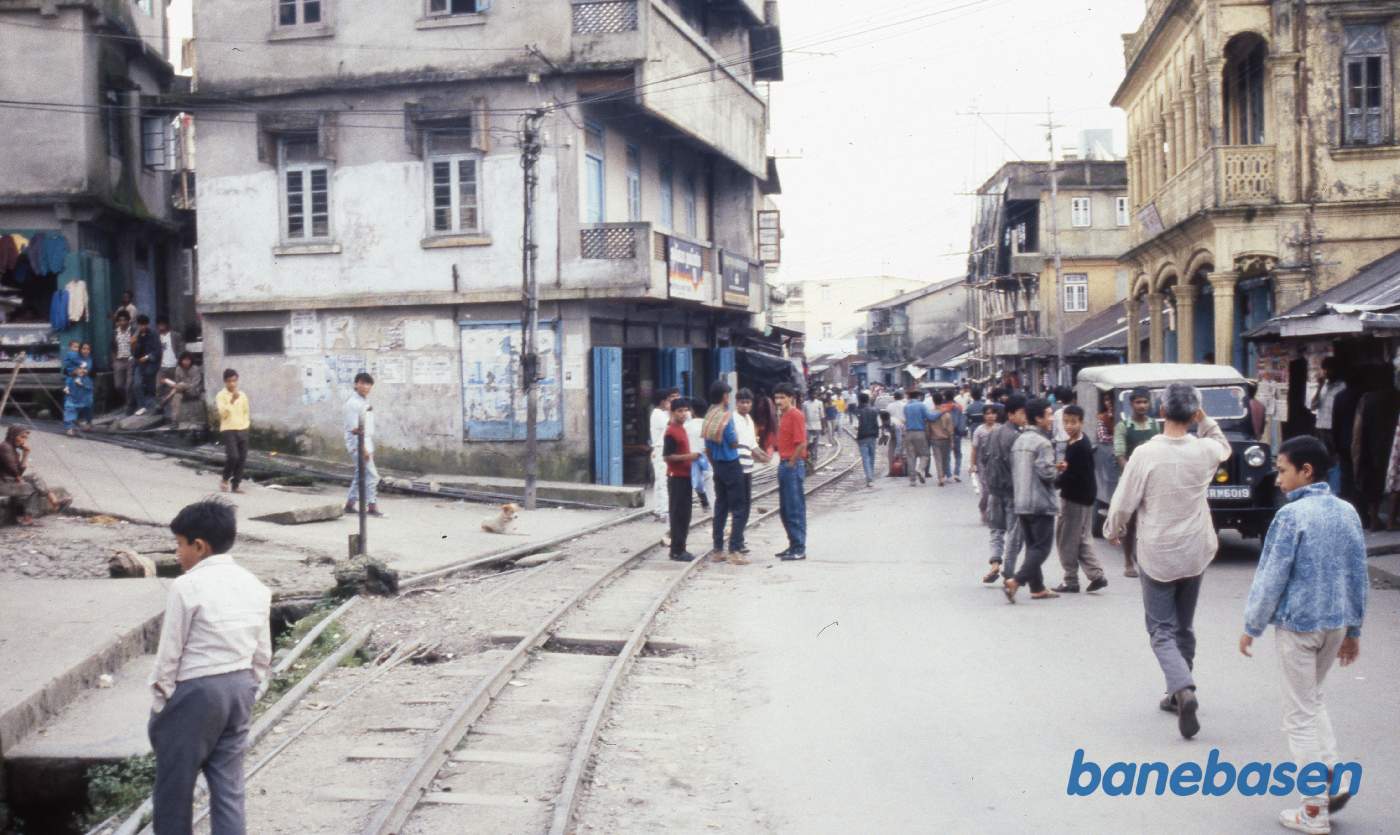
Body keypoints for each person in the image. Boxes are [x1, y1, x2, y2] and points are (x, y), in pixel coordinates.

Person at [1239, 436, 1367, 833]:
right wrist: (1354, 629)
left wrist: (1251, 626)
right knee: (1312, 699)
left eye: (1282, 470)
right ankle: (1332, 779)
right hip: (1336, 625)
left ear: (1306, 471)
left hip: (1299, 627)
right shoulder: (1347, 512)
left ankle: (1313, 810)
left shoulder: (1290, 516)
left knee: (1298, 715)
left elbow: (1270, 577)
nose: (1278, 479)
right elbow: (1358, 574)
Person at [1104, 383, 1231, 740]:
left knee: (1161, 630)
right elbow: (1222, 444)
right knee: (1184, 626)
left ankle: (1182, 687)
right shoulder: (1205, 450)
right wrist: (1203, 418)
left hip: (1157, 551)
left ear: (1161, 411)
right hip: (1195, 549)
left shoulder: (1146, 454)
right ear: (1193, 413)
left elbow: (1123, 501)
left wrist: (1113, 528)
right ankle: (1178, 692)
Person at [148, 499, 271, 835]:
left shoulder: (185, 586)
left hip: (195, 693)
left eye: (180, 544)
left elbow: (169, 653)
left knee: (174, 791)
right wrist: (249, 687)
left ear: (199, 546)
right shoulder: (255, 585)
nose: (177, 553)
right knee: (229, 788)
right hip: (239, 688)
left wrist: (161, 702)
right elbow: (262, 652)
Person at [1003, 399, 1060, 602]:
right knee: (1042, 548)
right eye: (1049, 414)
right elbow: (1047, 473)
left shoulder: (1019, 441)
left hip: (1022, 501)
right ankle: (1016, 581)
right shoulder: (1043, 443)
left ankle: (1037, 588)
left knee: (1032, 546)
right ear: (1038, 418)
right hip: (1040, 502)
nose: (1052, 418)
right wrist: (1058, 471)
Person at [1053, 405, 1106, 594]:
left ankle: (1071, 580)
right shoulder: (1077, 441)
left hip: (1075, 498)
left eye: (1073, 422)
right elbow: (1074, 470)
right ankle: (1096, 576)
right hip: (1084, 496)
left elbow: (1072, 476)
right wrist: (1064, 468)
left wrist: (1054, 482)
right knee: (1080, 538)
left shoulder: (1079, 446)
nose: (1069, 426)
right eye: (1066, 422)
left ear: (1081, 423)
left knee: (1066, 539)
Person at [1112, 387, 1160, 578]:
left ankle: (1147, 560)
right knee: (1130, 523)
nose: (1142, 406)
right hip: (1130, 480)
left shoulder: (1155, 425)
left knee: (1151, 521)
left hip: (1151, 480)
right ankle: (1128, 561)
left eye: (1145, 402)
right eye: (1138, 402)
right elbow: (1120, 454)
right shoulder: (1123, 426)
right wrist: (1133, 474)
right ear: (1131, 404)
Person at [702, 381, 749, 565]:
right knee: (738, 508)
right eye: (728, 395)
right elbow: (732, 441)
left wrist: (715, 464)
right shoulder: (725, 417)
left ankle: (718, 549)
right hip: (731, 464)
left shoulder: (709, 416)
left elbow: (707, 447)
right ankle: (735, 550)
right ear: (724, 397)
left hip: (718, 465)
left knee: (720, 506)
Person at [982, 396, 1026, 583]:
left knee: (996, 529)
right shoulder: (1017, 437)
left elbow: (984, 458)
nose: (1025, 417)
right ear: (1010, 414)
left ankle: (995, 563)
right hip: (1011, 490)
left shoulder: (993, 433)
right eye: (1022, 413)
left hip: (994, 488)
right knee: (1015, 534)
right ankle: (1008, 570)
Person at [0, 426, 69, 524]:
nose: (24, 441)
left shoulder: (12, 449)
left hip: (9, 480)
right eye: (22, 437)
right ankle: (30, 516)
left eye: (25, 438)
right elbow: (15, 471)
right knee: (34, 487)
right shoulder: (5, 447)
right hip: (3, 483)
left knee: (35, 477)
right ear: (13, 435)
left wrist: (25, 454)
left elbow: (19, 473)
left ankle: (52, 500)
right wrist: (19, 475)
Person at [773, 383, 808, 560]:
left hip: (791, 465)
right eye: (776, 397)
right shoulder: (784, 415)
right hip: (785, 464)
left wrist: (791, 463)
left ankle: (799, 548)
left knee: (794, 508)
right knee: (786, 509)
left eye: (782, 397)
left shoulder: (795, 415)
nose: (778, 401)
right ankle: (793, 544)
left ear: (791, 398)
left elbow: (801, 443)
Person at [662, 398, 699, 562]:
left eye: (686, 410)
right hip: (676, 477)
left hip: (685, 476)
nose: (684, 414)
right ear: (672, 412)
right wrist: (689, 456)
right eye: (680, 411)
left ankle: (681, 547)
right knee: (678, 514)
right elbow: (667, 456)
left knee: (685, 514)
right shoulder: (671, 432)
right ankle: (676, 551)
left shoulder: (682, 428)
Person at [343, 372, 384, 518]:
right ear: (356, 384)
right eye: (362, 383)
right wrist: (363, 449)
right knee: (372, 475)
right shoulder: (352, 404)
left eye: (368, 384)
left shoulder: (363, 402)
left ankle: (349, 505)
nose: (365, 386)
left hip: (366, 441)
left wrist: (368, 446)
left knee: (360, 474)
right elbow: (355, 430)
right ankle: (372, 506)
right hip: (358, 443)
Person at [734, 389, 768, 554]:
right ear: (736, 403)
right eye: (742, 402)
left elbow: (752, 444)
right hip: (737, 467)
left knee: (746, 505)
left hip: (748, 467)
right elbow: (738, 443)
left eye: (748, 402)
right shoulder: (734, 419)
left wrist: (763, 455)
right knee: (740, 506)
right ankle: (736, 542)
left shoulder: (748, 419)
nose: (745, 405)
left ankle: (739, 539)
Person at [215, 370, 250, 494]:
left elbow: (246, 411)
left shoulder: (242, 395)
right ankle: (225, 479)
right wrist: (232, 401)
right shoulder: (221, 395)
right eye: (229, 381)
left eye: (234, 381)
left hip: (242, 428)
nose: (232, 384)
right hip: (228, 429)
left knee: (242, 458)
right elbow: (222, 414)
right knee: (233, 456)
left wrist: (246, 425)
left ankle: (236, 485)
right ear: (225, 382)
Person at [649, 388, 679, 523]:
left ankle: (658, 509)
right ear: (662, 402)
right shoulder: (658, 414)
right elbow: (672, 425)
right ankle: (664, 511)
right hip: (660, 450)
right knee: (663, 482)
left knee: (660, 482)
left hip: (661, 450)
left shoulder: (662, 414)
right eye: (668, 400)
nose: (669, 403)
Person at [970, 402, 1001, 521]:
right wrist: (972, 465)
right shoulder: (979, 430)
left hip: (997, 464)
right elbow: (974, 448)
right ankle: (983, 508)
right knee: (986, 490)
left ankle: (994, 513)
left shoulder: (1000, 429)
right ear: (984, 416)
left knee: (996, 490)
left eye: (993, 413)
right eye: (988, 414)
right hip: (982, 464)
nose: (990, 416)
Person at [1311, 357, 1345, 458]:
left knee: (1334, 456)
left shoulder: (1342, 387)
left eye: (1328, 369)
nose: (1325, 372)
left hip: (1333, 428)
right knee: (1322, 456)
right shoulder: (1323, 386)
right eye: (1324, 369)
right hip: (1321, 427)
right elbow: (1313, 406)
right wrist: (1319, 387)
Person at [160, 352, 204, 424]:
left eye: (188, 360)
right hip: (181, 391)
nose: (186, 362)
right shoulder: (178, 369)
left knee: (181, 384)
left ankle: (166, 399)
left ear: (191, 360)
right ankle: (174, 421)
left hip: (193, 391)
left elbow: (195, 384)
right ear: (181, 360)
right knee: (176, 397)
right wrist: (179, 386)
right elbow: (177, 382)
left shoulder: (195, 369)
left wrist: (183, 386)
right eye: (184, 360)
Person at [131, 315, 162, 416]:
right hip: (139, 363)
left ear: (147, 324)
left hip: (151, 364)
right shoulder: (136, 335)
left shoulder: (153, 334)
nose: (142, 327)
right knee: (137, 384)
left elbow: (157, 351)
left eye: (144, 325)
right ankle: (141, 406)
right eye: (140, 325)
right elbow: (134, 353)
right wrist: (133, 344)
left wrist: (148, 357)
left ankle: (152, 405)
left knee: (150, 386)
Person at [684, 399, 712, 510]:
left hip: (692, 457)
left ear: (692, 411)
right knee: (708, 480)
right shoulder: (709, 425)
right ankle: (708, 501)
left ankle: (704, 501)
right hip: (706, 456)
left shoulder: (687, 426)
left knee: (696, 481)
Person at [903, 390, 932, 486]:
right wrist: (940, 413)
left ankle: (912, 480)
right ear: (918, 396)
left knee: (911, 456)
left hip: (909, 433)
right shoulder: (921, 405)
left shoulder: (906, 407)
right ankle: (920, 469)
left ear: (909, 397)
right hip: (920, 432)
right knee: (925, 454)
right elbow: (930, 417)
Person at [927, 392, 955, 487]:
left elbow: (928, 428)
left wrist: (928, 437)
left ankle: (940, 478)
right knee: (945, 459)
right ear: (942, 400)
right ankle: (943, 475)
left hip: (934, 439)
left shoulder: (930, 413)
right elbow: (950, 430)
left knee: (938, 459)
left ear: (933, 401)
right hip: (945, 439)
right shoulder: (947, 414)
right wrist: (952, 441)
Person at [853, 391, 880, 487]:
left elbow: (855, 426)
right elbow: (879, 424)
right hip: (872, 436)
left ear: (859, 400)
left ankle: (869, 478)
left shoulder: (857, 411)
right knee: (872, 457)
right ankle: (871, 476)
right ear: (868, 400)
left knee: (865, 458)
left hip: (862, 437)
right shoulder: (875, 411)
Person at [63, 363, 94, 436]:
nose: (82, 370)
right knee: (70, 411)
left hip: (85, 400)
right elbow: (67, 386)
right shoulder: (70, 379)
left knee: (88, 412)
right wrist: (66, 389)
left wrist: (81, 385)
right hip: (72, 399)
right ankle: (70, 428)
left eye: (84, 369)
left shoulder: (87, 379)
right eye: (79, 369)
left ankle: (88, 424)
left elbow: (89, 388)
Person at [113, 311, 134, 411]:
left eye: (125, 320)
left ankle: (129, 405)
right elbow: (112, 347)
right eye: (120, 320)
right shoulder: (115, 333)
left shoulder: (133, 331)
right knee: (118, 385)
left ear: (128, 321)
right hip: (119, 361)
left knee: (129, 384)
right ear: (118, 322)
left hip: (130, 360)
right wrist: (114, 361)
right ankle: (128, 401)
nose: (122, 322)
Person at [884, 390, 906, 473]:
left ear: (894, 397)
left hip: (893, 428)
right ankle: (903, 470)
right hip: (903, 428)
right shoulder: (905, 405)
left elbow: (886, 418)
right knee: (903, 450)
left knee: (891, 450)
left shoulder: (889, 406)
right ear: (902, 397)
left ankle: (891, 470)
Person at [157, 317, 182, 390]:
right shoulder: (156, 337)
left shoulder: (176, 335)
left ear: (167, 324)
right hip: (162, 367)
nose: (161, 326)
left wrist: (179, 361)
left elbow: (181, 349)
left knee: (175, 387)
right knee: (159, 387)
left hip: (174, 365)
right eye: (159, 324)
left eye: (163, 324)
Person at [802, 391, 824, 460]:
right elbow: (802, 416)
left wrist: (823, 428)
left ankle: (814, 457)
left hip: (817, 426)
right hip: (808, 426)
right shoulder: (805, 404)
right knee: (808, 442)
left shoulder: (819, 403)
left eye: (815, 394)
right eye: (812, 394)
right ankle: (809, 455)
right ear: (809, 394)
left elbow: (822, 416)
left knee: (815, 443)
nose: (814, 395)